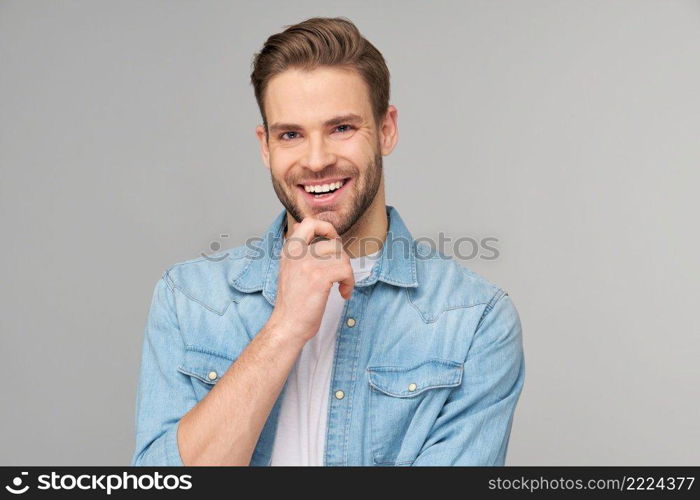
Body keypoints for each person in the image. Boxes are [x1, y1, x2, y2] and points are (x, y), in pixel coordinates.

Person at [131, 16, 525, 467]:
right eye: (291, 135)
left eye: (341, 128)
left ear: (387, 129)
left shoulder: (474, 320)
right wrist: (284, 329)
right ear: (265, 147)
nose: (316, 161)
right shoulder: (188, 299)